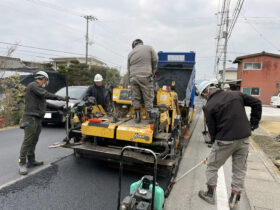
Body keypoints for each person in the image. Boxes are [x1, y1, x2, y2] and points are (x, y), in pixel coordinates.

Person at [197, 80, 262, 209]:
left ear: (207, 91)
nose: (204, 98)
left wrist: (215, 143)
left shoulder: (209, 106)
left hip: (225, 140)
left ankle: (210, 194)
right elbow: (257, 103)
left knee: (212, 165)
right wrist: (253, 124)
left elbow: (212, 129)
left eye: (203, 96)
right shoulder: (236, 94)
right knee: (239, 169)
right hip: (244, 138)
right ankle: (234, 199)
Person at [19, 71, 66, 175]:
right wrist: (58, 97)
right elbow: (45, 94)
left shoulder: (38, 90)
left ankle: (31, 161)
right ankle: (21, 163)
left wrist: (59, 107)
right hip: (30, 118)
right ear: (43, 79)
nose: (45, 82)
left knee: (34, 140)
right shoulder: (33, 85)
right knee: (27, 141)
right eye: (45, 80)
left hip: (37, 118)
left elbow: (45, 102)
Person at [127, 39, 158, 123]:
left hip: (133, 77)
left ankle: (137, 116)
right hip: (145, 76)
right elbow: (155, 60)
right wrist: (153, 71)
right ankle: (150, 116)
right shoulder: (149, 48)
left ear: (134, 45)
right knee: (148, 95)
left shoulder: (130, 53)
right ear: (141, 43)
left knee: (135, 96)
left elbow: (128, 68)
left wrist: (131, 77)